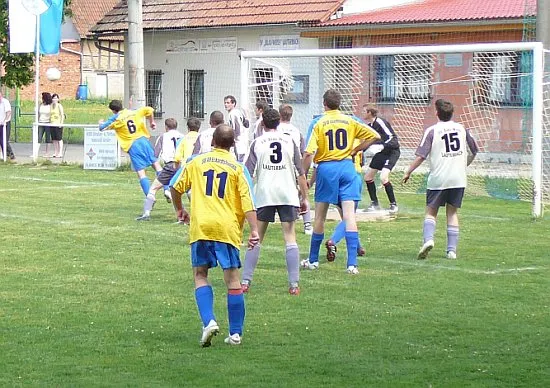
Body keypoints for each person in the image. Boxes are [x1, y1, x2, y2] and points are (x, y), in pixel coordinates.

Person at [171, 124, 259, 347]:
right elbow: (248, 202)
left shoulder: (196, 162)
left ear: (212, 142)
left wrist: (179, 209)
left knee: (200, 274)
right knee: (232, 279)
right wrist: (255, 230)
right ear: (232, 145)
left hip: (201, 226)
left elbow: (175, 186)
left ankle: (209, 321)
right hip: (227, 228)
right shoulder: (238, 168)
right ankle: (236, 333)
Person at [301, 89, 380, 274]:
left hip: (327, 168)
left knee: (320, 216)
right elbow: (375, 136)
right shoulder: (350, 120)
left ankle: (313, 260)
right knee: (349, 216)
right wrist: (356, 150)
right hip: (347, 168)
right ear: (339, 103)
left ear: (324, 104)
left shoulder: (318, 122)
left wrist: (303, 174)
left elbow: (309, 152)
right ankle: (352, 265)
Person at [241, 108, 308, 295]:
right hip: (287, 193)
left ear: (262, 123)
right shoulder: (290, 141)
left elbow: (247, 173)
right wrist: (305, 198)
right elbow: (300, 173)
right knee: (290, 237)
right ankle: (294, 285)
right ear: (278, 123)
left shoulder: (257, 142)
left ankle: (245, 281)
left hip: (264, 193)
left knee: (257, 236)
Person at [402, 99, 479, 260]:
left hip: (439, 178)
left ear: (436, 113)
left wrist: (408, 171)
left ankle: (428, 240)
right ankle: (451, 251)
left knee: (431, 212)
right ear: (452, 113)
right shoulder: (462, 128)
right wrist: (464, 164)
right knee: (452, 213)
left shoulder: (432, 131)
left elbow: (421, 156)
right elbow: (474, 150)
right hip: (458, 178)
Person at [99, 100, 162, 196]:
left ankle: (150, 197)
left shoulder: (116, 118)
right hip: (144, 140)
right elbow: (150, 110)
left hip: (133, 145)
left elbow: (102, 128)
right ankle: (167, 189)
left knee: (141, 173)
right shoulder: (134, 111)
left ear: (113, 110)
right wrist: (152, 122)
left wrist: (100, 122)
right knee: (156, 164)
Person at [323, 140, 367, 261]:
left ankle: (358, 247)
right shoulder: (356, 139)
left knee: (346, 216)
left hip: (334, 177)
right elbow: (362, 161)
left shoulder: (333, 139)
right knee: (349, 217)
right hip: (352, 176)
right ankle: (333, 240)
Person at [136, 118, 183, 221]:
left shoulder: (163, 136)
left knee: (153, 189)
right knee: (178, 192)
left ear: (166, 127)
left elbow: (155, 154)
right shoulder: (182, 136)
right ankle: (181, 217)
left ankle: (146, 214)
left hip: (170, 166)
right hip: (181, 167)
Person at [277, 103, 313, 235]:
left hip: (278, 167)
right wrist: (302, 170)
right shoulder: (297, 132)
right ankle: (307, 224)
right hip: (293, 167)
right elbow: (305, 153)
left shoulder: (275, 130)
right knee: (301, 193)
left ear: (279, 114)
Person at [362, 104, 401, 214]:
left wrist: (382, 146)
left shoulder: (380, 122)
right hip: (381, 153)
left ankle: (393, 205)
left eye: (364, 111)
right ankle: (375, 204)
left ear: (370, 113)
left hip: (391, 152)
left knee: (384, 177)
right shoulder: (370, 126)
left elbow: (393, 139)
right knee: (368, 177)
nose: (362, 113)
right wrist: (360, 151)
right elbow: (368, 142)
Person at [223, 95, 249, 161]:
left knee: (239, 163)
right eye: (225, 103)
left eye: (228, 103)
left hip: (238, 143)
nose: (226, 104)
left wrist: (233, 141)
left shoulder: (233, 114)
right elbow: (246, 124)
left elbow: (236, 129)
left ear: (233, 103)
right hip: (243, 141)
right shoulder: (238, 112)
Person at [0, 91, 15, 160]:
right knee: (1, 140)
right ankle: (4, 155)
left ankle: (10, 155)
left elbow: (8, 112)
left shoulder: (5, 102)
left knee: (4, 140)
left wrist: (5, 120)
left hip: (6, 123)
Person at [38, 92, 53, 157]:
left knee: (48, 138)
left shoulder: (50, 106)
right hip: (41, 122)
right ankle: (35, 152)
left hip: (48, 123)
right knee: (38, 137)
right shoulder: (41, 105)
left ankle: (47, 153)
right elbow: (38, 113)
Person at [50, 93, 65, 158]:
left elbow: (62, 115)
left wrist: (61, 123)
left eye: (56, 98)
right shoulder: (51, 106)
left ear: (58, 99)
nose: (54, 99)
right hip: (52, 124)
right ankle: (56, 152)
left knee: (59, 138)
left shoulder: (59, 106)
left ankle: (60, 152)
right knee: (54, 139)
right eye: (53, 98)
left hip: (58, 124)